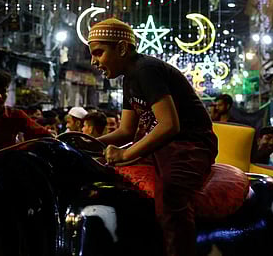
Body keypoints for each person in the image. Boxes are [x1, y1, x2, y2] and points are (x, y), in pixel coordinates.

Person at [88, 18, 217, 256]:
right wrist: (87, 143)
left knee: (171, 194)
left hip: (190, 144)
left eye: (98, 53)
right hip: (162, 145)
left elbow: (169, 125)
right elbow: (126, 131)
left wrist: (125, 153)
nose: (93, 61)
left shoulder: (145, 70)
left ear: (122, 48)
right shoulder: (129, 79)